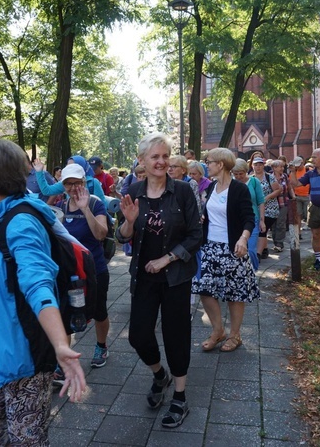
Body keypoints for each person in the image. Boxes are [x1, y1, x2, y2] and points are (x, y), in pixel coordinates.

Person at [0, 140, 86, 446]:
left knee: (26, 439)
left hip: (26, 351)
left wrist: (60, 345)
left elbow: (37, 282)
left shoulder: (21, 222)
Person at [116, 132, 201, 428]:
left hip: (176, 277)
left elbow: (195, 235)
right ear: (142, 161)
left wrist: (168, 258)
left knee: (176, 334)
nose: (162, 161)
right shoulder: (134, 191)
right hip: (144, 277)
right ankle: (159, 375)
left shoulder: (183, 192)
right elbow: (122, 236)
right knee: (139, 335)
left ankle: (179, 395)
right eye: (155, 157)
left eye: (165, 156)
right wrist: (128, 221)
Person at [193, 148, 258, 354]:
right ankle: (218, 330)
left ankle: (235, 335)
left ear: (220, 164)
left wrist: (243, 239)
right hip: (210, 247)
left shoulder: (239, 189)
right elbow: (211, 214)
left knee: (234, 293)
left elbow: (249, 218)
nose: (206, 165)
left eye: (209, 161)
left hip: (233, 249)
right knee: (204, 289)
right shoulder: (211, 187)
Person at [58, 163, 111, 369]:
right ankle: (66, 358)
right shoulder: (60, 207)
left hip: (94, 269)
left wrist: (85, 208)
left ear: (84, 182)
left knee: (99, 311)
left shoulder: (96, 203)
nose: (73, 188)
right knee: (66, 313)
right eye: (68, 183)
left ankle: (101, 346)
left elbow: (100, 234)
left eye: (77, 183)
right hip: (69, 271)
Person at [231, 159, 265, 270]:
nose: (238, 176)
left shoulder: (254, 182)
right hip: (236, 220)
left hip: (252, 220)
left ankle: (253, 272)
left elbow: (260, 201)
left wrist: (262, 220)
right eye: (235, 174)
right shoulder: (231, 183)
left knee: (250, 249)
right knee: (237, 249)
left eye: (241, 173)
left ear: (246, 171)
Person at [33, 156, 106, 202]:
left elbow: (102, 205)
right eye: (68, 166)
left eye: (77, 183)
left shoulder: (92, 183)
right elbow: (47, 191)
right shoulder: (65, 182)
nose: (72, 187)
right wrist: (39, 172)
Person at [251, 157, 281, 260]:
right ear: (252, 166)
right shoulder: (251, 178)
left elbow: (278, 190)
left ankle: (258, 254)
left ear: (263, 166)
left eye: (260, 164)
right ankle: (264, 249)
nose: (258, 167)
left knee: (262, 230)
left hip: (270, 209)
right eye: (256, 165)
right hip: (257, 210)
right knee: (262, 230)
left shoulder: (269, 177)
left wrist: (267, 197)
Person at [271, 159, 293, 253]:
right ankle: (275, 242)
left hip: (283, 202)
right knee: (273, 224)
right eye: (280, 167)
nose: (282, 168)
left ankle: (279, 244)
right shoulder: (269, 177)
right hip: (272, 204)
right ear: (274, 168)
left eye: (283, 167)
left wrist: (293, 197)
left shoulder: (284, 176)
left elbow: (289, 187)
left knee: (281, 223)